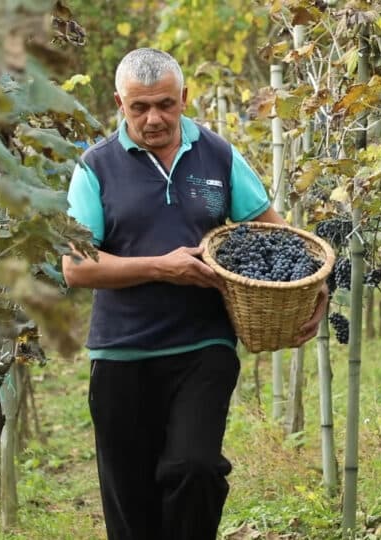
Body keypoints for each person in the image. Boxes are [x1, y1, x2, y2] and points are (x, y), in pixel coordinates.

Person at [62, 48, 327, 540]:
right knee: (130, 498)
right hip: (121, 351)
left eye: (165, 104)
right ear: (119, 103)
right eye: (139, 108)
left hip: (203, 345)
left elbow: (276, 234)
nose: (153, 118)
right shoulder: (94, 168)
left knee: (196, 467)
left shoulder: (219, 155)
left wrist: (315, 283)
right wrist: (161, 268)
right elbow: (76, 266)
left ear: (185, 97)